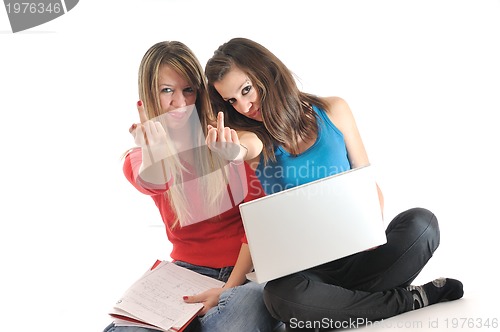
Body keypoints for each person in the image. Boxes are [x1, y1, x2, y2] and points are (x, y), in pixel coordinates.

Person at [205, 37, 464, 331]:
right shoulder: (255, 139)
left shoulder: (333, 109)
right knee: (279, 297)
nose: (244, 106)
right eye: (232, 101)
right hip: (309, 276)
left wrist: (368, 232)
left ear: (266, 72)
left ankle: (333, 309)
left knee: (422, 224)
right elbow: (244, 150)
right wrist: (232, 152)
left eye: (246, 90)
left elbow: (367, 182)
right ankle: (408, 300)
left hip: (361, 255)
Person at [103, 41, 281, 332]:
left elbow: (257, 221)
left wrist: (228, 288)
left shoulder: (224, 140)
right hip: (184, 274)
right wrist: (155, 150)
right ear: (147, 97)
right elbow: (154, 181)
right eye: (166, 90)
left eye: (188, 90)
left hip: (244, 273)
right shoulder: (138, 158)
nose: (181, 102)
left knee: (238, 313)